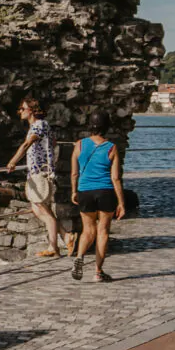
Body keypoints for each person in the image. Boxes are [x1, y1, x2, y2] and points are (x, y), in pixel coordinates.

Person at [3, 92, 64, 258]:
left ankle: (55, 247)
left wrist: (13, 161)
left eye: (22, 108)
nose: (19, 111)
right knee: (38, 208)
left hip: (39, 172)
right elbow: (53, 144)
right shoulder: (42, 126)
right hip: (39, 171)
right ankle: (65, 236)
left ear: (32, 110)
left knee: (43, 210)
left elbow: (26, 145)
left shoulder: (38, 126)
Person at [69, 112, 125, 282]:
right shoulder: (111, 147)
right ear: (106, 127)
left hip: (85, 191)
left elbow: (74, 173)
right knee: (103, 231)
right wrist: (121, 202)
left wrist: (74, 191)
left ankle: (79, 256)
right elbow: (115, 178)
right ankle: (98, 272)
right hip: (105, 191)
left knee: (88, 230)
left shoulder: (79, 145)